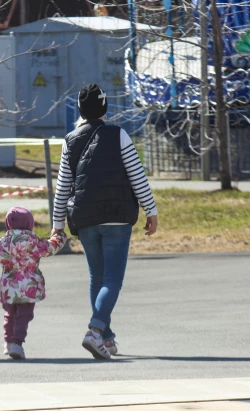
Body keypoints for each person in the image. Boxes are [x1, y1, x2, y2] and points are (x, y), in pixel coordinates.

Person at [52, 84, 159, 360]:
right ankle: (95, 331)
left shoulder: (70, 140)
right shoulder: (119, 135)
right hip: (116, 217)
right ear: (105, 107)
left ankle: (107, 339)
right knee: (112, 279)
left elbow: (63, 186)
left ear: (80, 109)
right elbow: (137, 175)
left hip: (85, 218)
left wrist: (57, 224)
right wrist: (151, 210)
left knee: (96, 278)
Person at [0, 206, 67, 360]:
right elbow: (50, 248)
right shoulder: (33, 241)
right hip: (29, 287)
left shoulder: (4, 242)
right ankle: (17, 343)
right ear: (30, 223)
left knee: (10, 314)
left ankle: (8, 342)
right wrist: (60, 236)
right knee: (24, 315)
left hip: (9, 287)